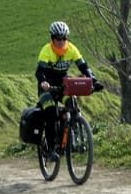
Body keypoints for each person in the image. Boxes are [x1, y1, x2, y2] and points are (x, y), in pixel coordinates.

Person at [36, 20, 101, 160]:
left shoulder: (71, 49)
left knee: (72, 105)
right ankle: (52, 149)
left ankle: (73, 138)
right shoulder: (46, 50)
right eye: (58, 38)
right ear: (52, 38)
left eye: (64, 38)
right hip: (47, 88)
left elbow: (84, 67)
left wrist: (94, 81)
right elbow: (39, 71)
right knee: (51, 112)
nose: (61, 41)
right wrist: (43, 82)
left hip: (63, 86)